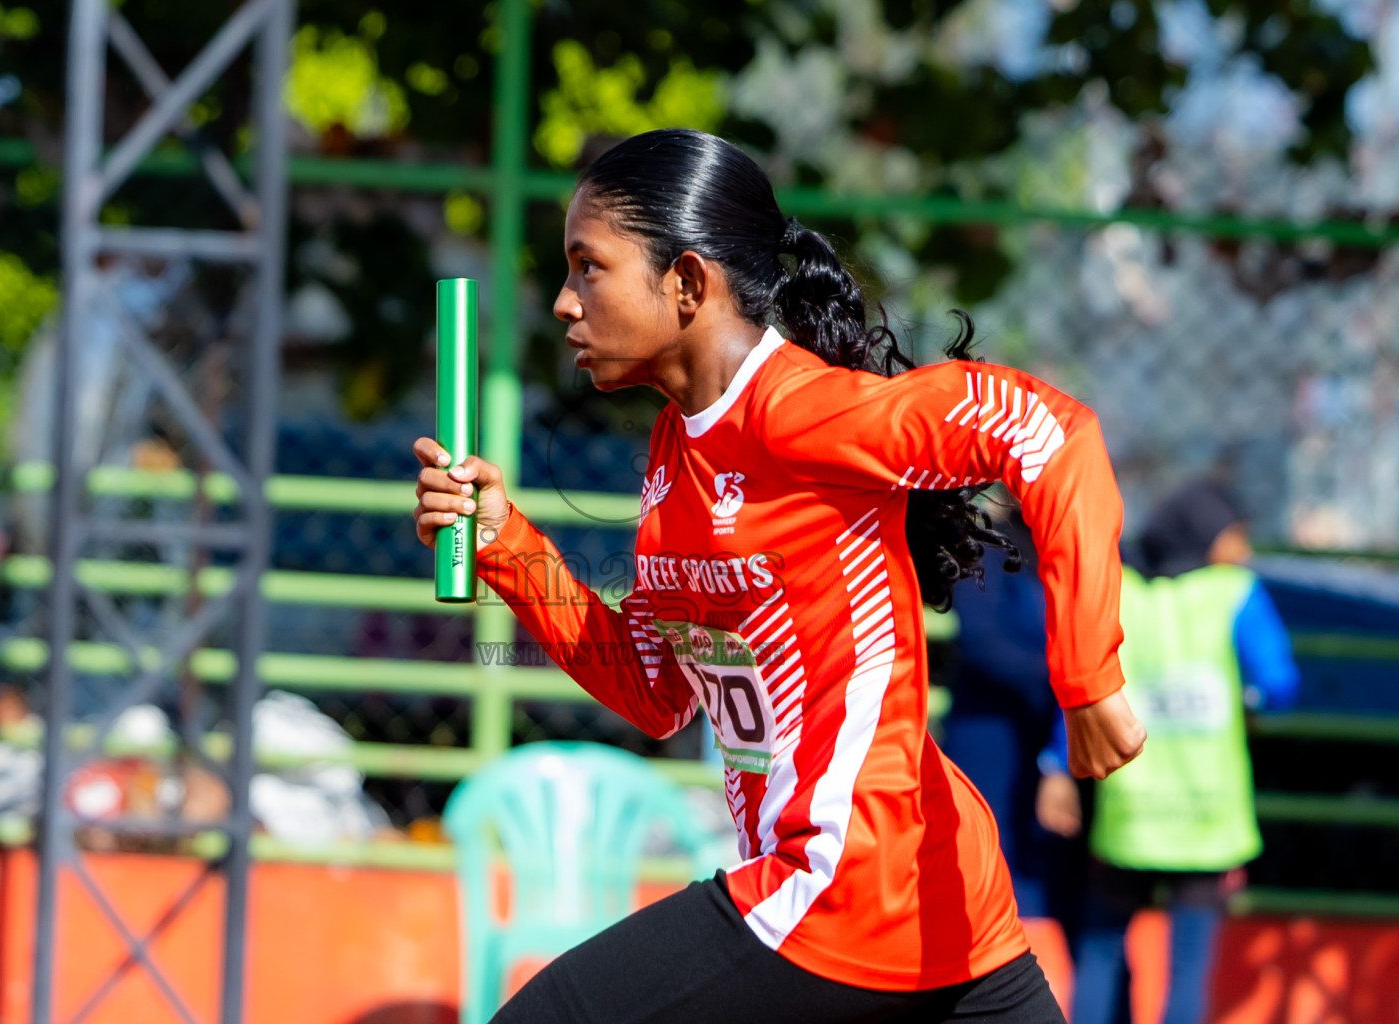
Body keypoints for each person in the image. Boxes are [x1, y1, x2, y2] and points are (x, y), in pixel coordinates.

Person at [413, 128, 1145, 1024]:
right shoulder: (675, 453)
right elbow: (654, 690)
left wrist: (1088, 677)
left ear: (686, 284)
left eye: (587, 268)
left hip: (850, 879)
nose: (564, 303)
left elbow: (1049, 433)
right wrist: (506, 543)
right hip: (901, 903)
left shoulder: (798, 411)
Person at [1036, 479, 1300, 1024]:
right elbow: (1279, 684)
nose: (1243, 551)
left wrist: (1057, 765)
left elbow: (1081, 686)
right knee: (1189, 969)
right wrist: (1247, 700)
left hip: (1130, 810)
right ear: (1207, 537)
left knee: (1101, 951)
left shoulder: (1121, 589)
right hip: (1208, 816)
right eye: (1236, 537)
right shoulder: (1234, 592)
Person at [942, 506, 1087, 938]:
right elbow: (982, 641)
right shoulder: (984, 546)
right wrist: (1070, 680)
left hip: (1057, 735)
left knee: (1061, 881)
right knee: (989, 873)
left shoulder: (1076, 542)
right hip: (992, 742)